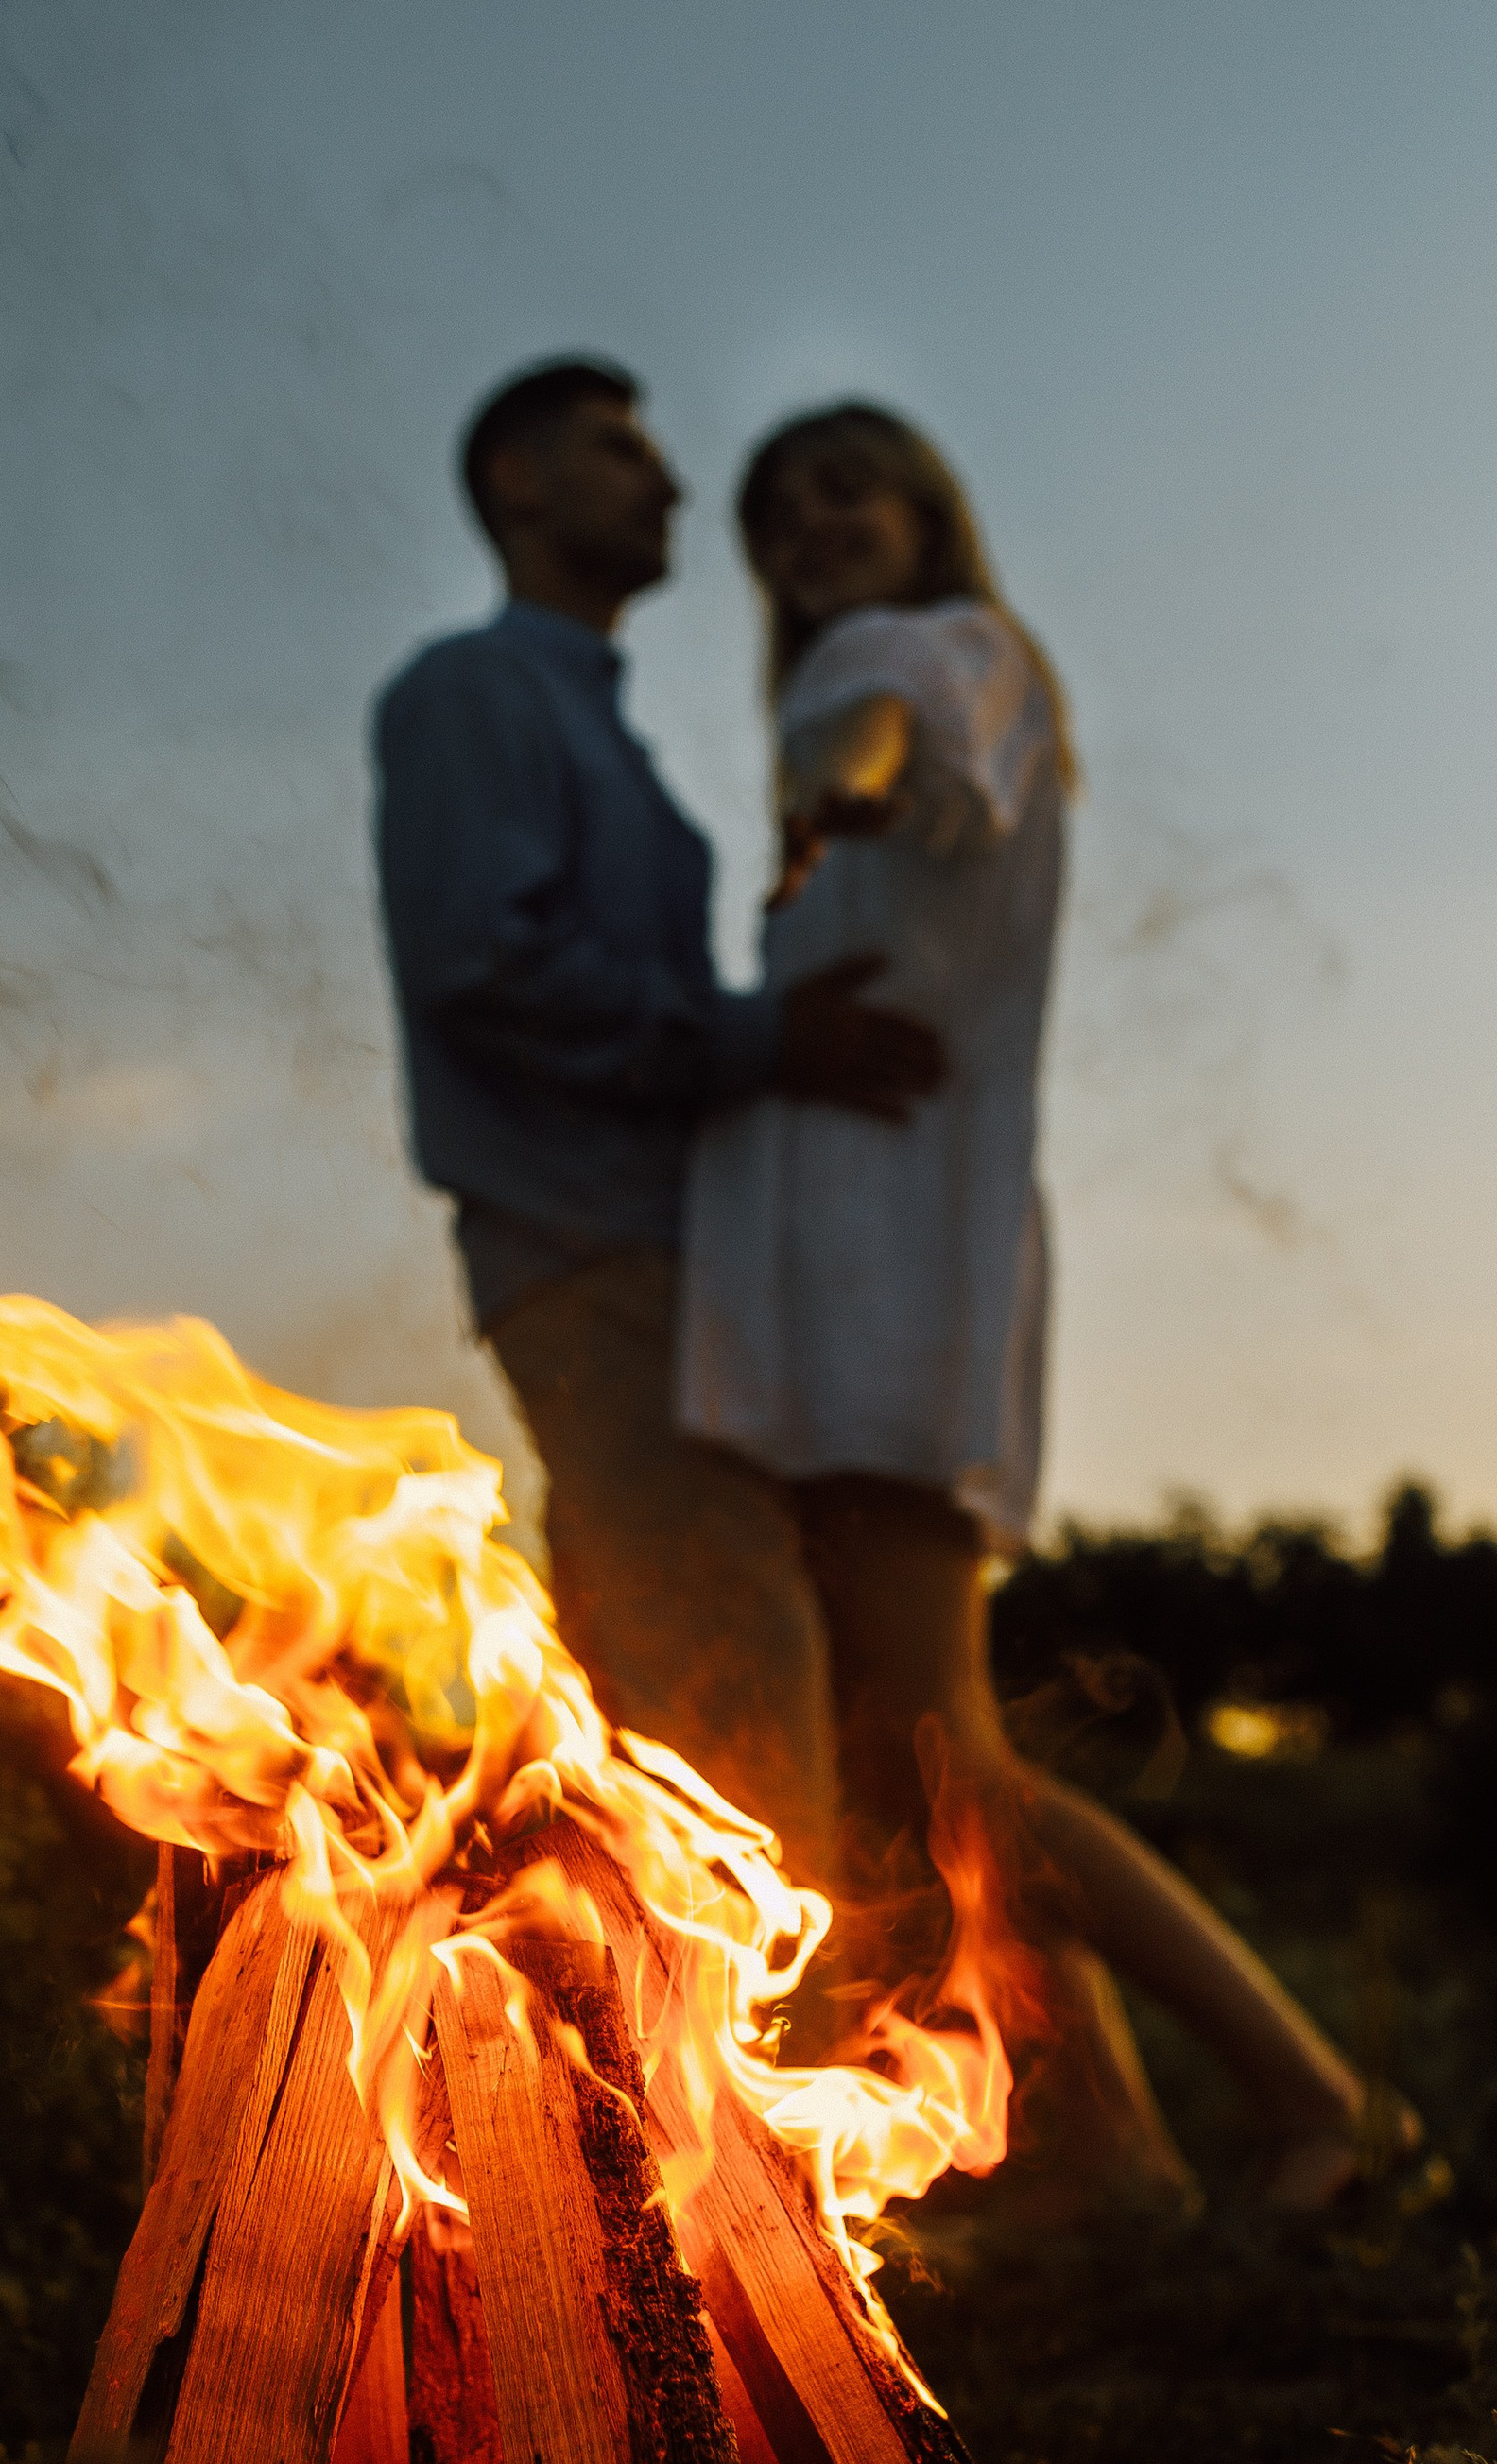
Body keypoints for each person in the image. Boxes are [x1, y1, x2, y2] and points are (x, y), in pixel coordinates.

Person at [679, 402, 1405, 2211]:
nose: (808, 526)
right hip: (857, 1286)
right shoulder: (897, 675)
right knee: (917, 1767)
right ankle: (1127, 2177)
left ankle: (1323, 2097)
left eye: (845, 485)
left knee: (955, 1769)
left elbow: (884, 725)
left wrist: (835, 776)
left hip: (892, 1292)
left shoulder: (930, 654)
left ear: (930, 509)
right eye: (773, 515)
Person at [370, 358, 943, 1882]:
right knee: (732, 1716)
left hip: (669, 1268)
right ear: (520, 484)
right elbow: (487, 964)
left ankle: (710, 2099)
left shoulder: (595, 730)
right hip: (590, 1257)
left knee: (714, 1707)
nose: (673, 484)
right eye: (621, 450)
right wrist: (766, 1035)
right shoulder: (474, 694)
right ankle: (746, 2111)